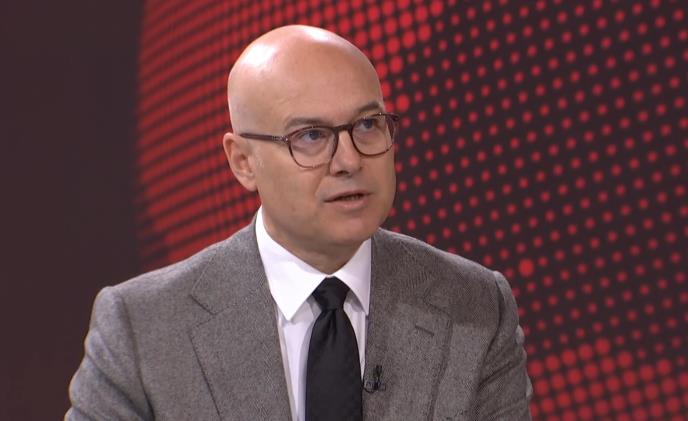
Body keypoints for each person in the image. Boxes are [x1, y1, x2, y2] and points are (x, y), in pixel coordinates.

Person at [67, 25, 532, 420]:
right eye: (310, 136)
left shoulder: (476, 306)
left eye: (367, 125)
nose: (349, 160)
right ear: (242, 162)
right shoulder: (141, 329)